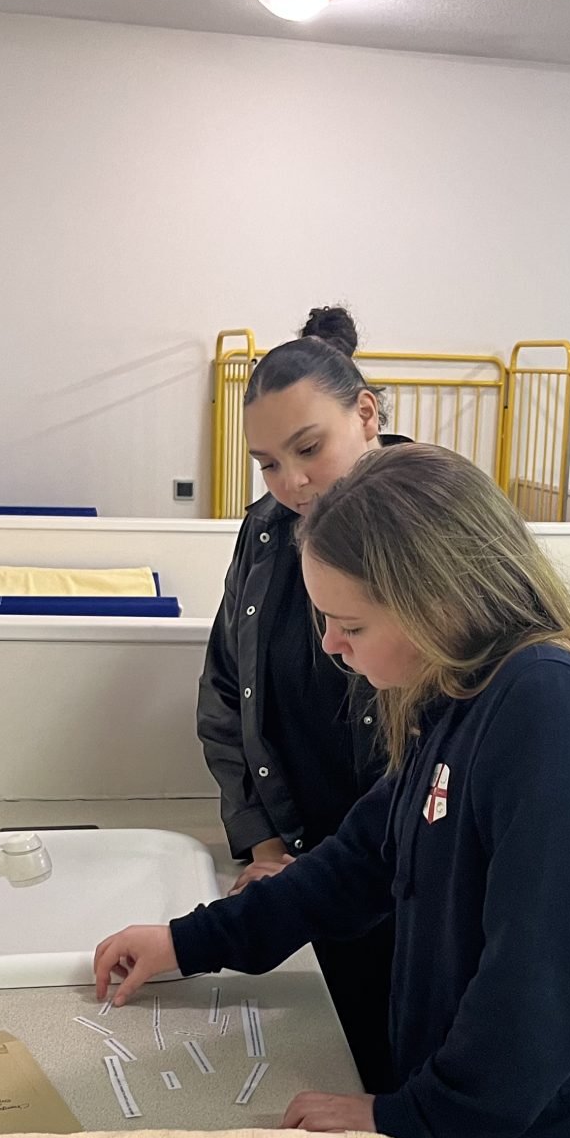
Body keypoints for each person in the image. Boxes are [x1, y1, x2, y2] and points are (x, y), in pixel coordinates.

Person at [100, 444, 570, 1138]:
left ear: (435, 604)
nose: (331, 645)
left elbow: (539, 984)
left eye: (350, 625)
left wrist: (412, 1120)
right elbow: (356, 864)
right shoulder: (458, 693)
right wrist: (190, 942)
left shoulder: (546, 708)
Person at [197, 306, 405, 1093]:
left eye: (309, 450)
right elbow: (227, 689)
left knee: (395, 1084)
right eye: (267, 464)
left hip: (395, 884)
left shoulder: (424, 523)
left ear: (366, 414)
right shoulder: (266, 533)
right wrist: (264, 846)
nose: (291, 483)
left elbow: (439, 757)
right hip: (309, 870)